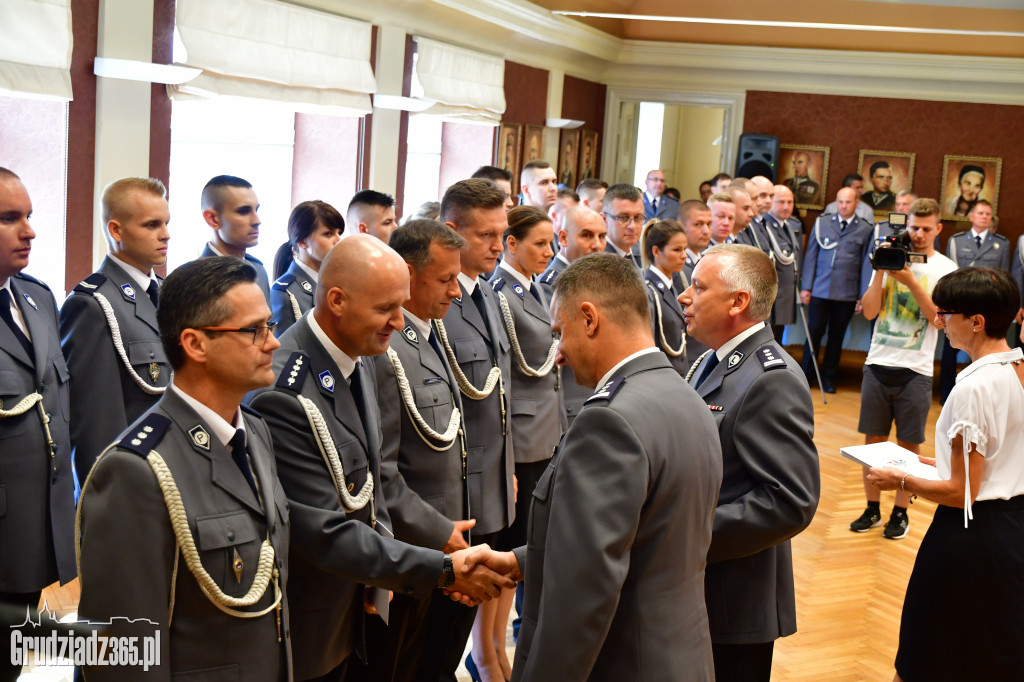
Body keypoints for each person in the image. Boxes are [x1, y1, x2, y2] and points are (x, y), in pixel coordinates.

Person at [250, 235, 512, 681]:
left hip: (363, 595)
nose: (398, 320)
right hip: (315, 616)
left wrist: (390, 575)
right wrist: (443, 571)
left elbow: (376, 480)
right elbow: (324, 531)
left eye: (401, 305)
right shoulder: (286, 392)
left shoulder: (364, 354)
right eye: (386, 308)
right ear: (337, 300)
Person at [464, 253, 723, 681]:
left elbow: (585, 591)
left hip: (621, 661)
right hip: (679, 654)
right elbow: (644, 535)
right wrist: (523, 561)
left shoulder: (609, 420)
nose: (558, 355)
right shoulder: (685, 395)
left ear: (589, 318)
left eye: (559, 333)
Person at [77, 257, 291, 680]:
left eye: (270, 326)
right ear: (195, 345)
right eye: (254, 330)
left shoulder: (254, 432)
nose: (273, 343)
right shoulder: (135, 470)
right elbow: (122, 653)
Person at [866, 267, 1024, 681]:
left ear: (977, 322)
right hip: (1012, 530)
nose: (938, 322)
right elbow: (997, 457)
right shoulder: (1019, 367)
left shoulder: (974, 386)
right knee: (990, 653)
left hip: (971, 542)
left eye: (945, 314)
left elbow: (961, 493)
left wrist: (897, 480)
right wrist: (926, 463)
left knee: (927, 654)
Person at [680, 244, 820, 682]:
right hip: (704, 587)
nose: (685, 296)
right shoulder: (713, 359)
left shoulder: (769, 379)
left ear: (738, 302)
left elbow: (789, 501)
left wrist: (683, 535)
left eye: (699, 287)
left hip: (734, 597)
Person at [361, 220, 474, 682]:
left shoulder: (428, 331)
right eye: (446, 279)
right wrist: (439, 530)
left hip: (442, 541)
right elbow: (382, 469)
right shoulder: (386, 351)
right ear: (409, 273)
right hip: (411, 545)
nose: (457, 291)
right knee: (400, 668)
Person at [436, 179, 517, 681]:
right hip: (453, 498)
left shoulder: (486, 293)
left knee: (468, 611)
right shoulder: (432, 304)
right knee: (441, 627)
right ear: (453, 231)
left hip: (490, 485)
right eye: (486, 235)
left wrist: (506, 470)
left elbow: (498, 397)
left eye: (502, 233)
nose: (497, 245)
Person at [0, 168, 76, 682]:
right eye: (9, 218)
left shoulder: (36, 297)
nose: (29, 231)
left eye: (28, 216)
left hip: (36, 526)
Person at [485, 206, 566, 681]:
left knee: (525, 545)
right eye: (539, 243)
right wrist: (507, 455)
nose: (549, 252)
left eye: (551, 243)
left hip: (545, 431)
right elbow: (506, 382)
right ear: (511, 244)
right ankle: (485, 649)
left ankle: (496, 646)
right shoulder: (501, 293)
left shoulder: (534, 288)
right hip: (522, 438)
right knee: (514, 544)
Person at [852, 198, 956, 540]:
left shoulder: (945, 269)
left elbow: (938, 322)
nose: (919, 234)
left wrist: (911, 281)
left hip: (917, 370)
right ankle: (871, 508)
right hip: (877, 364)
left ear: (938, 228)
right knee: (873, 443)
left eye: (927, 228)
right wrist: (881, 269)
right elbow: (869, 312)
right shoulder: (885, 260)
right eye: (914, 227)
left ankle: (900, 512)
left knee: (909, 446)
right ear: (906, 225)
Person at [60, 177, 172, 486]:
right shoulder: (93, 305)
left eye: (166, 222)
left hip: (176, 471)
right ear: (116, 231)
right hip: (136, 480)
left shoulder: (168, 294)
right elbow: (96, 428)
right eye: (151, 225)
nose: (166, 234)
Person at [800, 186, 874, 393]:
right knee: (813, 333)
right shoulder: (822, 223)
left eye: (848, 202)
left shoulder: (866, 228)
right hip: (820, 290)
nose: (843, 206)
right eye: (840, 201)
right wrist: (806, 287)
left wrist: (862, 295)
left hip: (847, 293)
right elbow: (811, 256)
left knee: (836, 336)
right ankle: (805, 375)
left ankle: (828, 378)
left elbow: (865, 264)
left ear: (856, 203)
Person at [539, 207, 608, 427]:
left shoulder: (595, 280)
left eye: (602, 236)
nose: (597, 245)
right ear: (563, 237)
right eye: (586, 235)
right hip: (570, 405)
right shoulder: (551, 285)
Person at [940, 199, 1010, 402]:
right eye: (980, 213)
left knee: (985, 349)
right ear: (971, 216)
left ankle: (982, 394)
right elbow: (949, 275)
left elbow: (1003, 276)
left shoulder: (1001, 244)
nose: (984, 217)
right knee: (950, 348)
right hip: (960, 303)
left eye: (988, 214)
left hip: (988, 305)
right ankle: (947, 393)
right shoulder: (957, 241)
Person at [737, 184, 802, 342]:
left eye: (770, 196)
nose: (763, 201)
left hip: (777, 293)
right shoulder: (755, 225)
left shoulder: (788, 225)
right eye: (760, 196)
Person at [271, 200, 344, 337]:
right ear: (302, 242)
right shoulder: (285, 293)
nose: (338, 240)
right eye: (328, 234)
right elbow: (284, 353)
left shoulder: (339, 282)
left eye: (339, 233)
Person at [199, 174, 271, 302]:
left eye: (256, 210)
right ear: (213, 219)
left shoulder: (258, 270)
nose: (257, 221)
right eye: (243, 211)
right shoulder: (194, 280)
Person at [641, 219, 690, 379]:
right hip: (661, 377)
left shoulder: (671, 286)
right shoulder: (648, 290)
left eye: (684, 249)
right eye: (677, 250)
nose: (684, 256)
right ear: (656, 252)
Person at [601, 183, 644, 269]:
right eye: (623, 218)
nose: (632, 226)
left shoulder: (632, 256)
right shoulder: (599, 264)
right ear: (604, 219)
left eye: (637, 218)